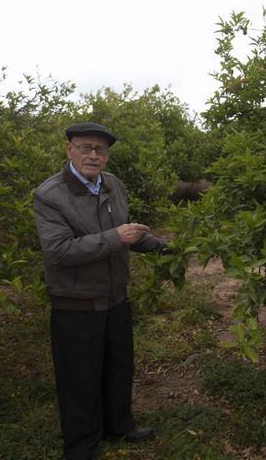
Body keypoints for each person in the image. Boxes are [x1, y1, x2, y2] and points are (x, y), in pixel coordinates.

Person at [33, 122, 165, 460]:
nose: (93, 155)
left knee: (119, 367)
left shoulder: (113, 184)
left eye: (100, 150)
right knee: (80, 378)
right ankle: (81, 446)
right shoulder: (50, 195)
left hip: (115, 297)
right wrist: (116, 238)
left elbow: (128, 231)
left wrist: (163, 247)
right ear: (69, 150)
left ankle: (119, 425)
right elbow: (59, 251)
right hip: (76, 303)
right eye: (85, 147)